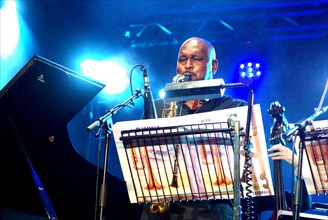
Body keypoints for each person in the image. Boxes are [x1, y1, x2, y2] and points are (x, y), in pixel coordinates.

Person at [140, 37, 247, 220]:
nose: (188, 65)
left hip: (212, 209)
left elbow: (245, 166)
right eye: (182, 60)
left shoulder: (235, 108)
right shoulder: (158, 107)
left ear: (213, 66)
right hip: (161, 209)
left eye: (196, 59)